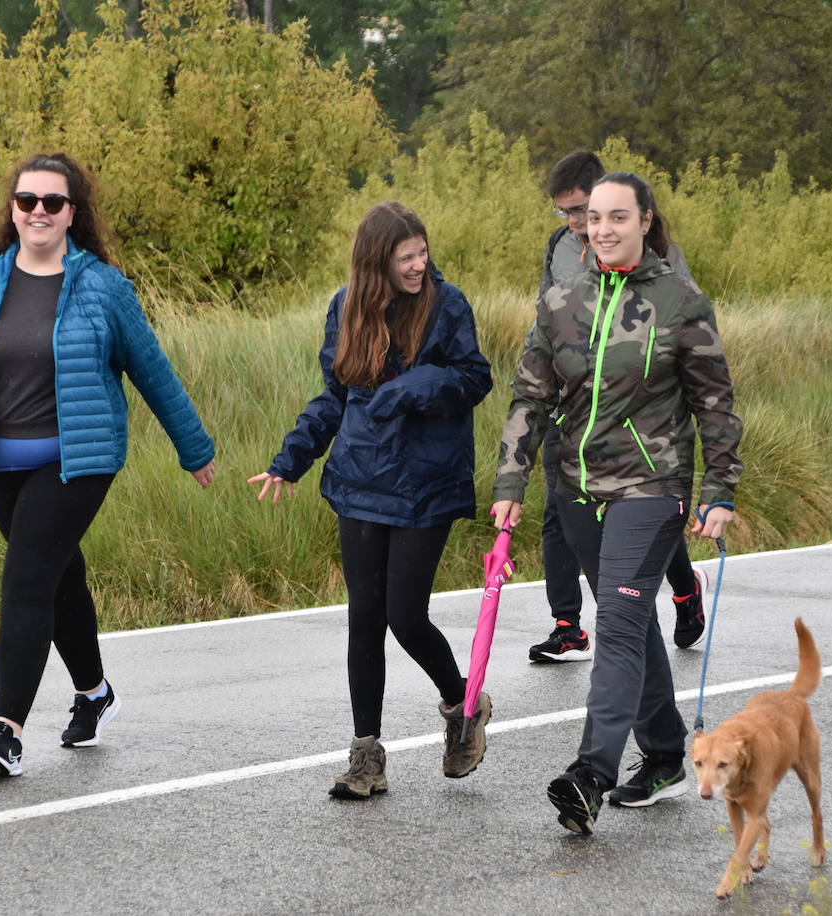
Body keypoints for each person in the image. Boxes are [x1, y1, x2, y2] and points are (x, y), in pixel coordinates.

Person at [0, 152, 216, 778]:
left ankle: (6, 731)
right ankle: (94, 693)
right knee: (59, 578)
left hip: (78, 458)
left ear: (72, 212)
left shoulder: (102, 287)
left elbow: (152, 370)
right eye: (27, 201)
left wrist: (195, 449)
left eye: (52, 202)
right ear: (13, 209)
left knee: (25, 579)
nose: (38, 213)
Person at [492, 172, 742, 833]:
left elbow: (714, 402)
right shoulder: (561, 300)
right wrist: (511, 484)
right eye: (593, 218)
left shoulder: (681, 302)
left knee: (620, 628)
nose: (602, 228)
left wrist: (719, 488)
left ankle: (591, 774)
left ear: (645, 221)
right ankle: (664, 753)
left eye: (617, 217)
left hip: (650, 487)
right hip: (578, 488)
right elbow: (529, 397)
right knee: (631, 624)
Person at [250, 201, 494, 799]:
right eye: (405, 257)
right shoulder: (346, 307)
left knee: (405, 615)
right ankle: (366, 758)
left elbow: (474, 378)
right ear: (375, 262)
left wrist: (411, 386)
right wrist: (291, 460)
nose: (418, 264)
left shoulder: (448, 304)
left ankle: (463, 706)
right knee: (365, 619)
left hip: (427, 483)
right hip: (359, 480)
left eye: (422, 252)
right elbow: (334, 397)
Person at [526, 150, 707, 663]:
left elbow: (686, 333)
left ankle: (684, 587)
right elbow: (548, 316)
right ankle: (568, 624)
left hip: (638, 416)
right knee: (559, 509)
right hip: (573, 404)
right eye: (564, 213)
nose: (576, 223)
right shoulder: (561, 247)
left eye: (580, 209)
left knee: (641, 514)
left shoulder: (655, 249)